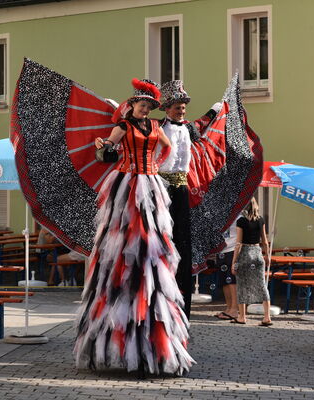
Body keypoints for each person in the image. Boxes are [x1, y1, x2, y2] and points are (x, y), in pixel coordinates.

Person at [73, 78, 195, 376]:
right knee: (124, 235)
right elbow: (106, 153)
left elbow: (167, 149)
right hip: (127, 181)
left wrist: (156, 166)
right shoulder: (123, 128)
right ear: (132, 106)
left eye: (148, 107)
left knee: (154, 237)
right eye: (141, 105)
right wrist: (105, 147)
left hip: (151, 181)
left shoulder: (154, 128)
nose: (144, 109)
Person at [157, 80, 222, 319]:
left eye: (183, 107)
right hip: (161, 186)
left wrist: (216, 110)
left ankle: (181, 293)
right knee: (161, 236)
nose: (182, 110)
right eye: (177, 107)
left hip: (182, 187)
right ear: (166, 108)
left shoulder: (188, 128)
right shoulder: (158, 127)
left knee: (182, 238)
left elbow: (204, 124)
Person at [231, 197, 272, 326]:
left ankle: (242, 317)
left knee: (242, 285)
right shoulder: (261, 220)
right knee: (262, 286)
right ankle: (267, 317)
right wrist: (267, 256)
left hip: (245, 254)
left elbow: (238, 243)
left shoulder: (241, 221)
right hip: (258, 254)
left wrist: (234, 262)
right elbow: (264, 241)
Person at [214, 218, 239, 320]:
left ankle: (234, 309)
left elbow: (241, 238)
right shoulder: (222, 216)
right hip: (222, 250)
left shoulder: (239, 217)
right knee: (224, 281)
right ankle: (229, 308)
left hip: (232, 250)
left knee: (232, 281)